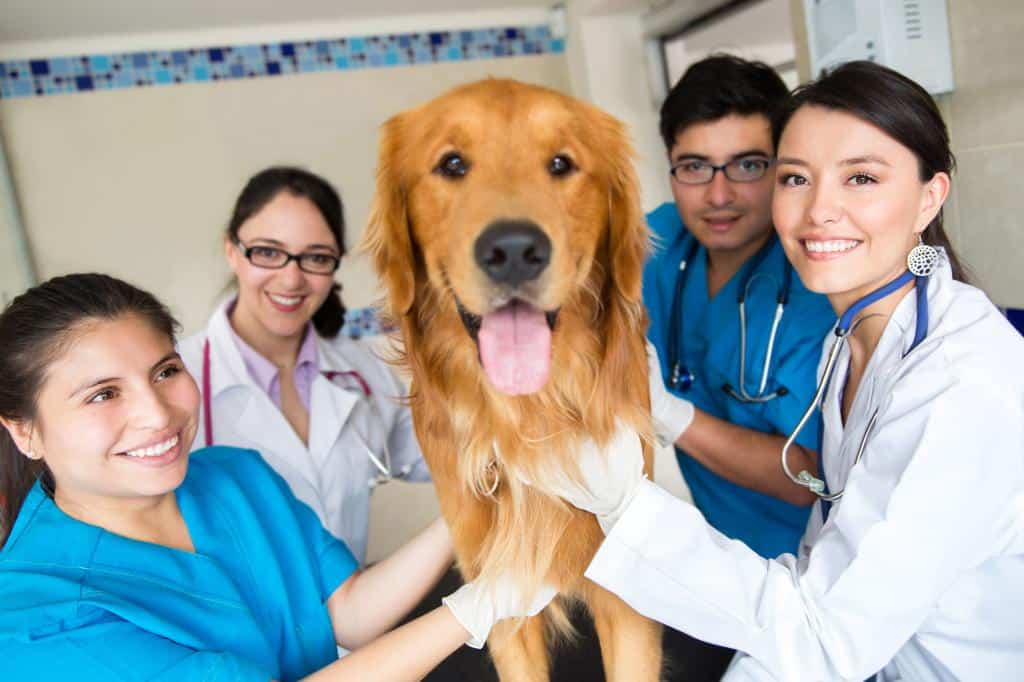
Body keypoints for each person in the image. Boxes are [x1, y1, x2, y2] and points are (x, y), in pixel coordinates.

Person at [533, 61, 1024, 680]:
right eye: (797, 178)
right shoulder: (853, 343)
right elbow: (821, 578)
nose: (820, 209)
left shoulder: (961, 387)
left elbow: (824, 637)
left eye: (862, 178)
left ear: (931, 196)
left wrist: (622, 506)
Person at [0, 273, 553, 681]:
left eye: (165, 371)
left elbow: (350, 615)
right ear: (25, 431)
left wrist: (479, 496)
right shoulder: (32, 619)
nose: (157, 413)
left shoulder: (236, 478)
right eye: (103, 394)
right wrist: (483, 603)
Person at [643, 55, 836, 679]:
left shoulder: (817, 287)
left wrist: (666, 414)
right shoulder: (657, 242)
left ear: (783, 167)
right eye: (695, 167)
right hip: (717, 560)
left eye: (748, 166)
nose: (719, 195)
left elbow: (807, 475)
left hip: (816, 576)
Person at [179, 167, 428, 562]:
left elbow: (442, 454)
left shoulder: (362, 371)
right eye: (268, 252)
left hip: (361, 614)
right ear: (232, 251)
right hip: (239, 622)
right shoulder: (178, 380)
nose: (292, 279)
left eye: (316, 257)